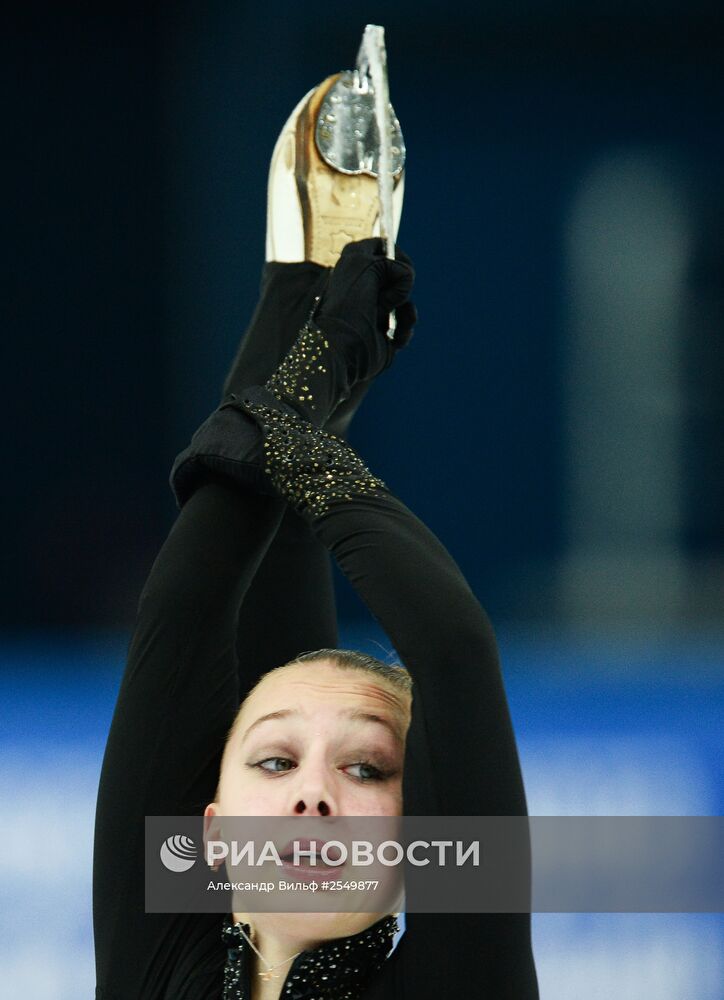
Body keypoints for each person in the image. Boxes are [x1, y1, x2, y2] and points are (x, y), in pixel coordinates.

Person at [93, 70, 539, 1000]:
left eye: (370, 766)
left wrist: (303, 380)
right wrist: (303, 397)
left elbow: (450, 652)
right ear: (209, 836)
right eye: (274, 759)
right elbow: (190, 624)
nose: (312, 797)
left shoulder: (463, 980)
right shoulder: (160, 961)